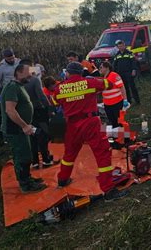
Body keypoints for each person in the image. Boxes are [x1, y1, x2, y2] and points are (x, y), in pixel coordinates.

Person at [53, 62, 127, 200]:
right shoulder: (90, 82)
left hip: (72, 125)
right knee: (102, 153)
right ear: (81, 72)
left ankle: (62, 179)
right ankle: (109, 190)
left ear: (68, 73)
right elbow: (108, 84)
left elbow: (55, 101)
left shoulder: (59, 88)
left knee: (69, 154)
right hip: (91, 123)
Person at [1, 64, 47, 193]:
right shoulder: (12, 88)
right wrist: (24, 125)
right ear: (19, 73)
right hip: (16, 129)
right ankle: (26, 185)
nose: (31, 76)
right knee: (23, 156)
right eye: (28, 73)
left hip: (20, 128)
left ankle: (26, 178)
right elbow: (10, 110)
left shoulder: (19, 87)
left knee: (23, 154)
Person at [20, 59, 55, 169]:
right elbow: (41, 96)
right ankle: (46, 159)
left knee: (32, 136)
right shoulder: (34, 80)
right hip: (38, 111)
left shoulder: (16, 81)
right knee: (42, 135)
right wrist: (49, 108)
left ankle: (34, 161)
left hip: (25, 113)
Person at [99, 62, 129, 128]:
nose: (100, 69)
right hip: (107, 105)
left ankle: (124, 136)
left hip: (117, 103)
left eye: (101, 67)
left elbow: (122, 87)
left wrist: (125, 99)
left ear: (107, 68)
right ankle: (117, 136)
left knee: (120, 122)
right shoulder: (102, 77)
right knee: (113, 122)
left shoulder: (114, 75)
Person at [112, 40, 140, 104]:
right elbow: (114, 65)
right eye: (119, 46)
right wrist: (115, 73)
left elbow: (133, 62)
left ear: (124, 46)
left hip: (129, 72)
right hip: (121, 73)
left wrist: (134, 70)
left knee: (132, 87)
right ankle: (128, 101)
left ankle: (137, 101)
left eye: (121, 46)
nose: (120, 47)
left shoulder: (129, 53)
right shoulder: (117, 55)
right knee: (125, 88)